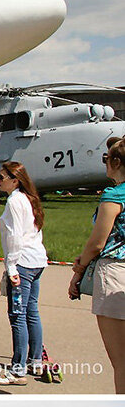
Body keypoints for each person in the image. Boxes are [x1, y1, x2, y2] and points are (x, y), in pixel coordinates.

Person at [69, 135, 125, 392]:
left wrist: (79, 271)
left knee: (121, 362)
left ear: (115, 162)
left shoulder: (114, 197)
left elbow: (97, 243)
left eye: (106, 158)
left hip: (115, 273)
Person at [0, 161, 49, 386]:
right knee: (31, 311)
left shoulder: (15, 201)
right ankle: (35, 360)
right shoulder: (28, 199)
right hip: (36, 261)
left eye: (2, 177)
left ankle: (18, 369)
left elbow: (14, 237)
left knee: (18, 315)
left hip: (23, 263)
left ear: (15, 180)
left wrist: (11, 267)